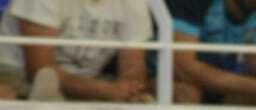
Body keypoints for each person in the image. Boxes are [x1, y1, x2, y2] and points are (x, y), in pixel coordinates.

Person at [0, 0, 152, 102]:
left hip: (91, 85)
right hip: (17, 76)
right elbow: (38, 70)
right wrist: (104, 91)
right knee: (44, 87)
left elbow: (133, 71)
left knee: (145, 107)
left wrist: (128, 91)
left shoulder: (135, 3)